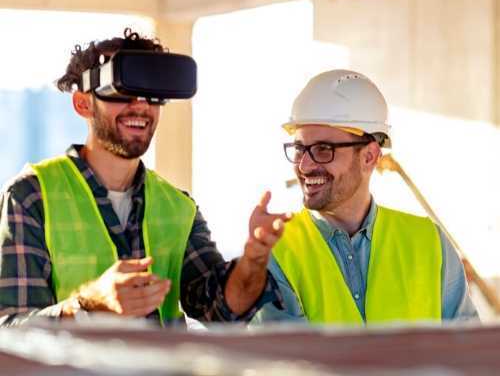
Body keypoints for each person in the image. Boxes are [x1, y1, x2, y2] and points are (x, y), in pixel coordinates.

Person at [0, 28, 290, 326]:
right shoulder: (32, 196)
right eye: (122, 90)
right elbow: (11, 329)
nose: (140, 104)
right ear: (83, 104)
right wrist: (89, 306)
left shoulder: (178, 206)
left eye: (152, 92)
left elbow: (221, 310)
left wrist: (253, 260)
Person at [254, 69, 478, 324]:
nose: (304, 166)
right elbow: (288, 361)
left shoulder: (430, 243)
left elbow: (465, 353)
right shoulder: (275, 250)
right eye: (299, 149)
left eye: (323, 149)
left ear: (370, 156)